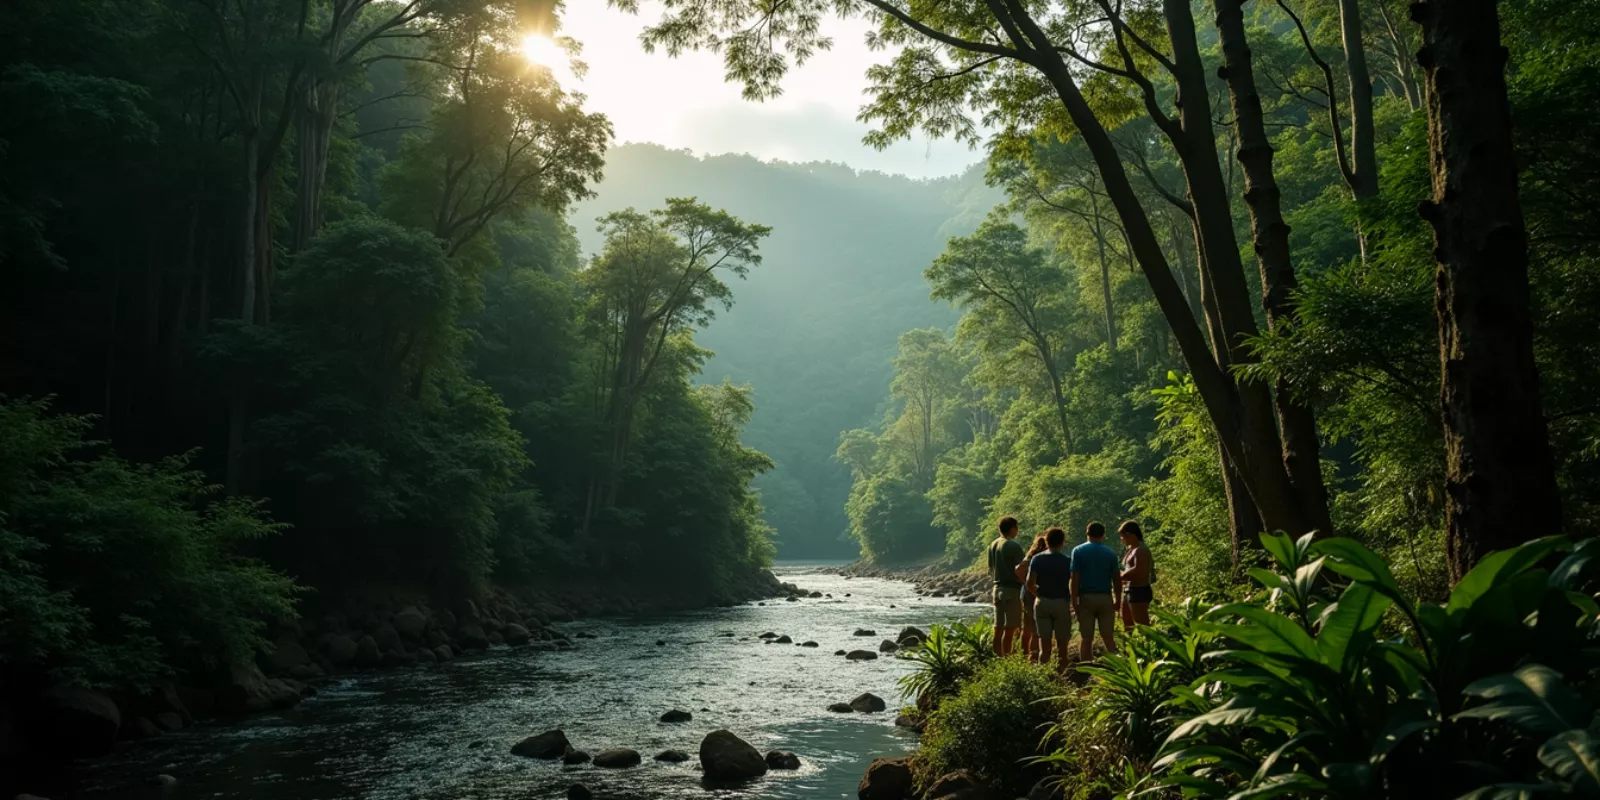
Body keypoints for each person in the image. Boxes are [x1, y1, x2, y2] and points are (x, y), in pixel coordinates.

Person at [1070, 521, 1121, 662]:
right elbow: (1116, 579)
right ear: (1103, 535)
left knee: (1086, 638)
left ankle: (1088, 669)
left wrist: (1074, 601)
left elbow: (1075, 578)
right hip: (1105, 598)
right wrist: (1118, 600)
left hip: (1086, 598)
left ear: (1087, 533)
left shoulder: (1078, 551)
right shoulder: (1110, 553)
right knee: (1108, 636)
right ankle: (1118, 668)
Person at [1025, 527, 1074, 673]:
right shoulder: (1067, 561)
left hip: (1042, 603)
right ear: (1062, 542)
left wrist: (1039, 593)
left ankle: (1043, 677)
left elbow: (1029, 583)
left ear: (1046, 541)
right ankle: (1062, 677)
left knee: (1044, 646)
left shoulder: (1037, 559)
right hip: (1061, 603)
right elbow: (1073, 583)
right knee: (1062, 648)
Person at [986, 516, 1025, 656]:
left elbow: (990, 568)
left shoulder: (992, 545)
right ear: (1013, 529)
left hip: (997, 589)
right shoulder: (1012, 545)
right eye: (1017, 528)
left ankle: (997, 658)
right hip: (1011, 589)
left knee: (998, 628)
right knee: (1011, 628)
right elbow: (1022, 567)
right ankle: (1007, 660)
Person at [1014, 533, 1049, 660]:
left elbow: (1018, 569)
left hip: (1026, 593)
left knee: (1027, 626)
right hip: (1036, 592)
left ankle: (1024, 655)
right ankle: (1033, 655)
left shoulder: (1029, 558)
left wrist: (1024, 581)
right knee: (1036, 628)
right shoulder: (1041, 559)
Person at [1118, 520, 1153, 629]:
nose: (1122, 539)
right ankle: (1131, 645)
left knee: (1141, 624)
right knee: (1127, 623)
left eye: (1123, 536)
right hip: (1129, 589)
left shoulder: (1141, 550)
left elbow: (1140, 570)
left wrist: (1122, 576)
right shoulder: (1131, 549)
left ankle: (1148, 644)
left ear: (1131, 535)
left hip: (1139, 590)